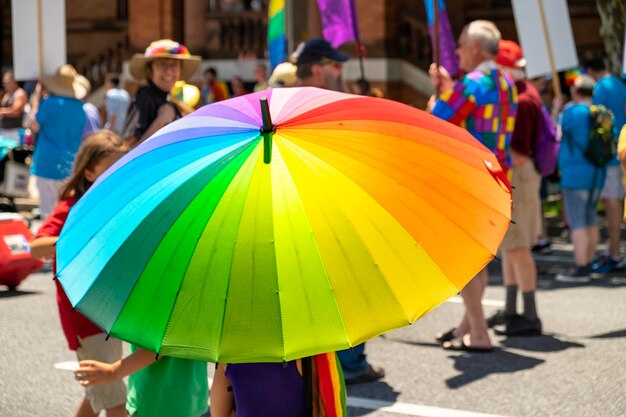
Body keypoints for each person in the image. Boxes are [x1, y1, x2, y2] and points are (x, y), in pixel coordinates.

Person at [294, 38, 384, 384]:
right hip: (330, 209)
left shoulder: (284, 99)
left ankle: (328, 362)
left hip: (305, 209)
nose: (340, 72)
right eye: (335, 66)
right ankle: (351, 362)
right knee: (349, 285)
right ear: (317, 68)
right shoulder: (324, 104)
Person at [429, 20, 517, 351]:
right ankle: (468, 328)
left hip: (471, 181)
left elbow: (437, 117)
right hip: (499, 181)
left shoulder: (472, 84)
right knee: (479, 258)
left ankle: (479, 333)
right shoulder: (508, 82)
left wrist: (445, 86)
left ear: (477, 48)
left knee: (467, 261)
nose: (457, 50)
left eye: (462, 44)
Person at [30, 130, 128, 417]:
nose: (115, 176)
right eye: (107, 170)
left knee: (99, 391)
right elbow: (37, 247)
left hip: (108, 313)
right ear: (88, 173)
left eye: (119, 169)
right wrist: (79, 235)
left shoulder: (112, 204)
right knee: (115, 401)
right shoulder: (72, 207)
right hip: (87, 319)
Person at [491, 40, 542, 336]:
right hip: (522, 176)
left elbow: (520, 153)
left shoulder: (521, 101)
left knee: (519, 247)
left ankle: (530, 315)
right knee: (511, 247)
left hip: (519, 176)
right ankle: (513, 309)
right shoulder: (525, 94)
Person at [555, 75, 607, 283]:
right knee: (590, 219)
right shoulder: (601, 113)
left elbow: (556, 133)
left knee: (577, 222)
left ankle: (581, 267)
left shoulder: (571, 113)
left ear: (576, 92)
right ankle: (590, 261)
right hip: (597, 173)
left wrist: (556, 109)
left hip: (575, 174)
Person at [74, 346, 209, 417]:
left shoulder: (165, 299)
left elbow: (158, 346)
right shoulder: (201, 301)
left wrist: (113, 372)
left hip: (158, 400)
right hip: (192, 395)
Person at [30, 65, 88, 218]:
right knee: (64, 213)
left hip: (47, 162)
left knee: (48, 213)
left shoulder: (49, 103)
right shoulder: (81, 108)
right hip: (70, 164)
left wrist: (37, 101)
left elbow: (33, 125)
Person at [585, 57, 626, 273]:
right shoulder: (620, 83)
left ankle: (615, 253)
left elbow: (595, 120)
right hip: (623, 149)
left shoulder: (600, 87)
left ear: (591, 72)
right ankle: (615, 252)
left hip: (609, 155)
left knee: (612, 206)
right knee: (617, 205)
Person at [123, 39, 201, 148]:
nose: (168, 71)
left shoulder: (171, 100)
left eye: (174, 65)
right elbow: (129, 148)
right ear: (150, 70)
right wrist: (160, 121)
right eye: (161, 64)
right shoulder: (145, 97)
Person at [0, 71, 27, 145]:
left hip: (15, 132)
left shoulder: (20, 93)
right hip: (4, 130)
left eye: (6, 82)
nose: (4, 85)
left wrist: (2, 111)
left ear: (13, 81)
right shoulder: (6, 95)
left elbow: (16, 112)